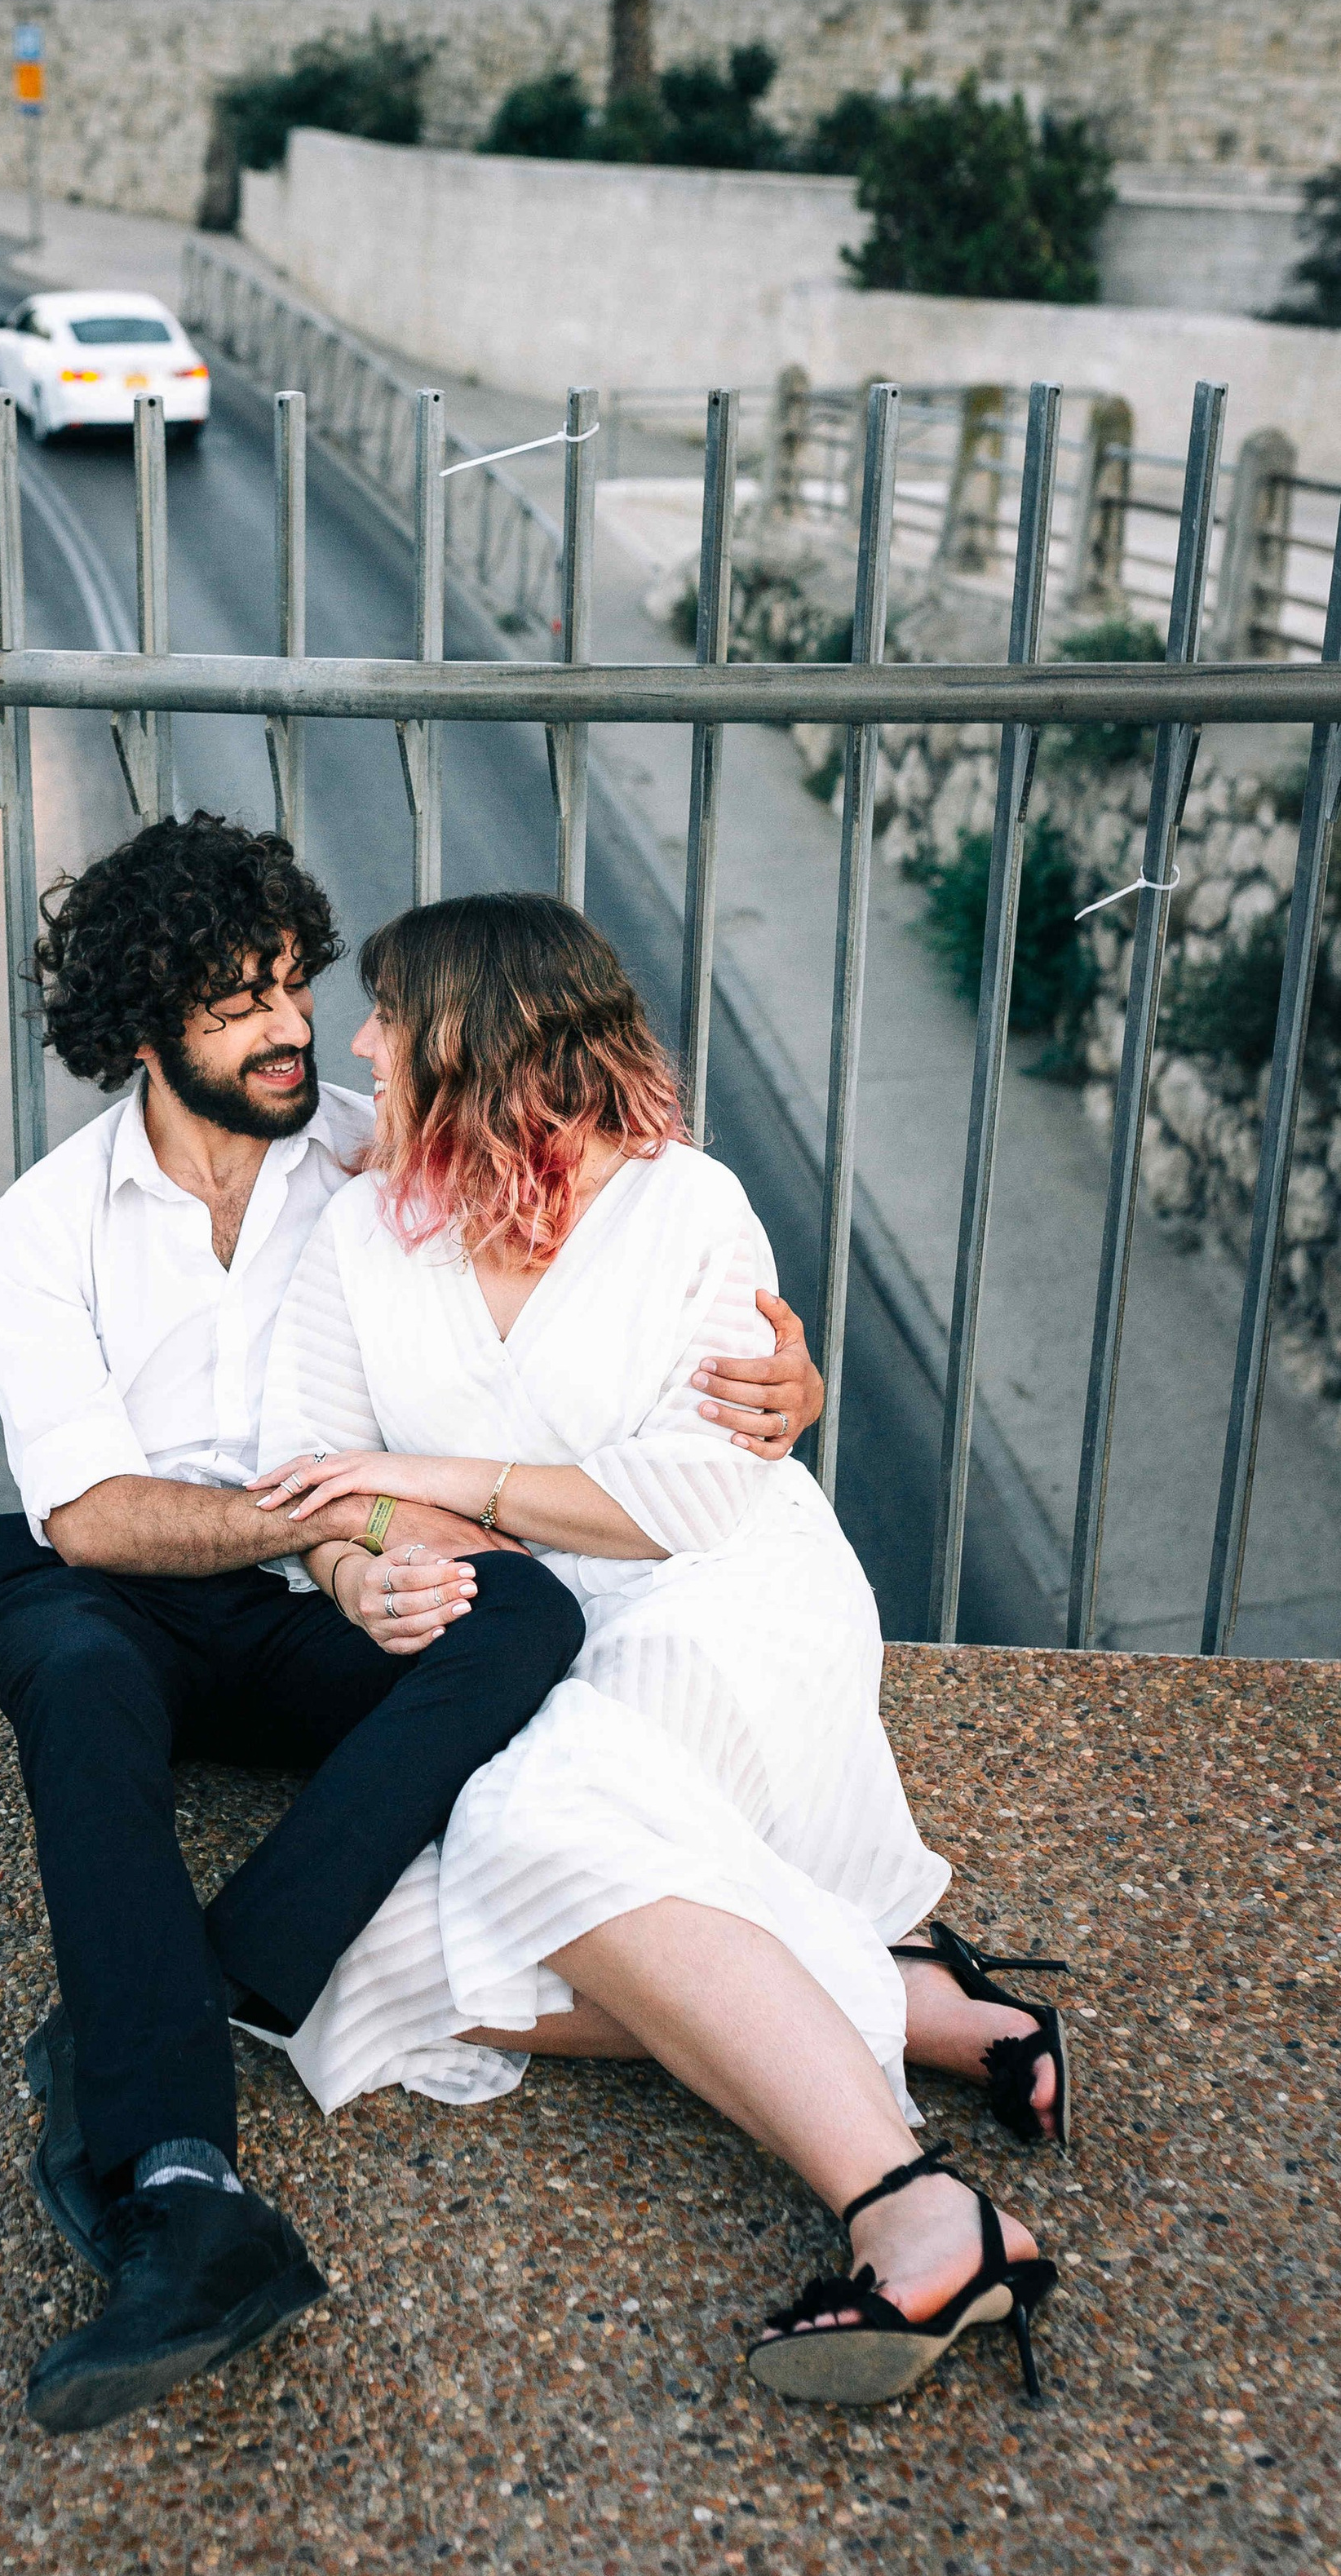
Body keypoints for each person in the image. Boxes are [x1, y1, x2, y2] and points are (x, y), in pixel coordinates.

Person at [0, 816, 825, 2437]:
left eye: (294, 983)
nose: (292, 1026)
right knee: (72, 1679)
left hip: (313, 1601)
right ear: (139, 1030)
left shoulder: (374, 1141)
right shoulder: (43, 1226)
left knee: (526, 1613)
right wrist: (343, 1519)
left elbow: (623, 1211)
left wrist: (787, 1389)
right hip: (117, 1591)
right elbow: (87, 1515)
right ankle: (181, 2191)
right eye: (236, 1003)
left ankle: (214, 1972)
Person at [253, 892, 1063, 2410]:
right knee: (366, 1958)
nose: (359, 1044)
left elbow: (687, 1496)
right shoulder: (364, 1226)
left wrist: (430, 1486)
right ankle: (919, 2006)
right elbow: (311, 1468)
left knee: (526, 1833)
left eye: (390, 1017)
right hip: (520, 1639)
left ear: (480, 1048)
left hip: (718, 1604)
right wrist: (358, 1564)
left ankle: (909, 2204)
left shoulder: (690, 1210)